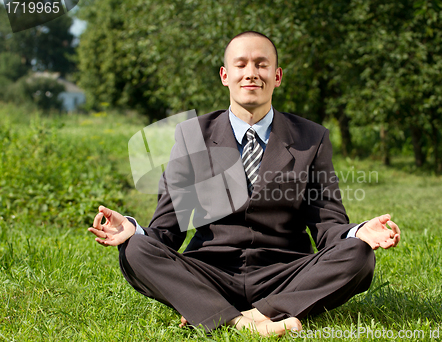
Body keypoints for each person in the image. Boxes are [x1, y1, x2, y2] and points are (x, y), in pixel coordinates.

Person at [88, 31, 401, 337]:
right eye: (241, 65)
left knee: (359, 255)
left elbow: (327, 225)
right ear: (225, 75)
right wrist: (133, 229)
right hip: (210, 273)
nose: (251, 73)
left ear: (277, 76)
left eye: (261, 64)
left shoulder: (311, 137)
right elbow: (167, 229)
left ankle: (237, 312)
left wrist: (357, 232)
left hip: (286, 272)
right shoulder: (192, 135)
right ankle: (246, 323)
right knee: (136, 251)